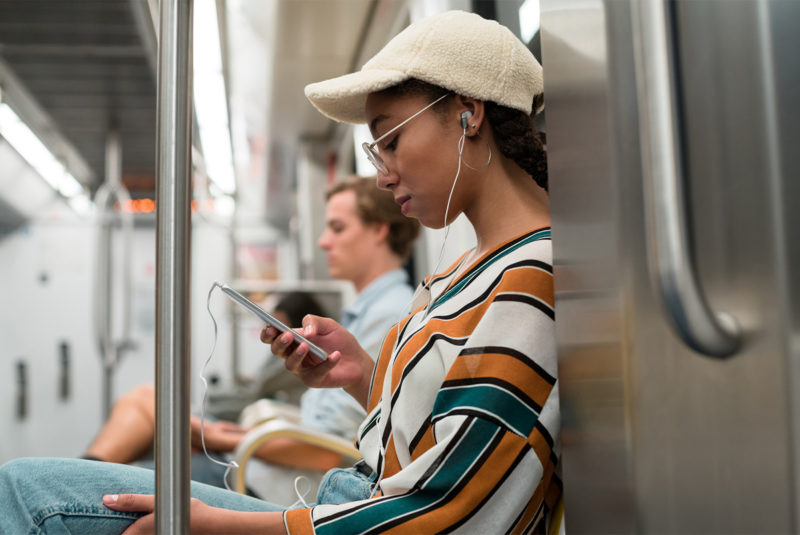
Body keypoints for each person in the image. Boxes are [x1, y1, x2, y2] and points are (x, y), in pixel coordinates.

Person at [0, 10, 560, 534]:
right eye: (375, 152)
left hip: (349, 512)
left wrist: (222, 525)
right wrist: (360, 373)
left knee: (30, 494)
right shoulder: (464, 270)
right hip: (347, 502)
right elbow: (428, 438)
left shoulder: (529, 278)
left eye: (391, 141)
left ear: (469, 112)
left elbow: (450, 508)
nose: (384, 176)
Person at [81, 176, 420, 497]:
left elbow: (332, 449)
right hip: (272, 462)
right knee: (149, 417)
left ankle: (77, 482)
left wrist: (223, 440)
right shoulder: (365, 313)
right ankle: (80, 479)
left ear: (379, 230)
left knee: (146, 422)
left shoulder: (387, 316)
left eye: (337, 228)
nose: (323, 241)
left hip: (284, 484)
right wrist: (233, 436)